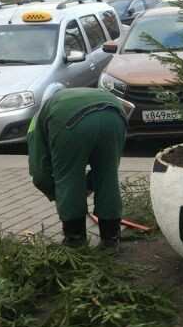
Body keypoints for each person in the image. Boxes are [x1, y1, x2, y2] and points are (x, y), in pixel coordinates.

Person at [28, 88, 129, 249]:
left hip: (71, 123)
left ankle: (75, 242)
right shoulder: (72, 96)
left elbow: (39, 173)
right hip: (115, 113)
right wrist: (89, 185)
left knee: (68, 179)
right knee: (107, 176)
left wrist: (58, 194)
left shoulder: (37, 119)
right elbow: (99, 172)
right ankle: (111, 240)